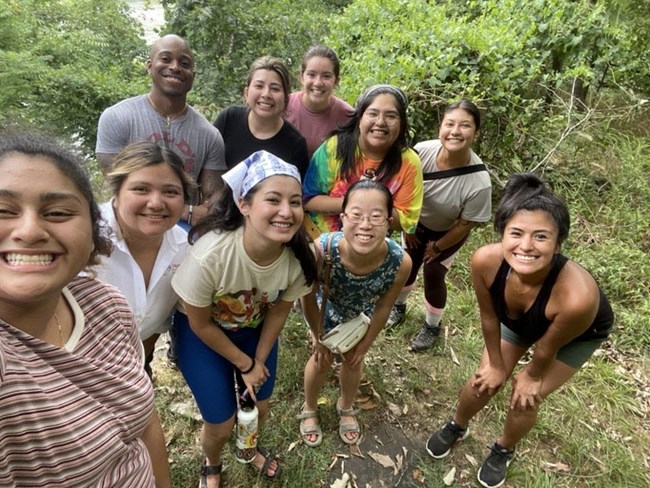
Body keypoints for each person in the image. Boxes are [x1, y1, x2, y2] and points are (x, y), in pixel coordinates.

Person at [0, 133, 171, 487]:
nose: (29, 231)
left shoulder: (103, 302)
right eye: (3, 211)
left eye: (58, 212)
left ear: (93, 229)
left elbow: (144, 420)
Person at [425, 173, 614, 488]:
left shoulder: (577, 297)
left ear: (558, 243)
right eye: (516, 233)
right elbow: (489, 318)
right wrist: (497, 365)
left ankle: (504, 448)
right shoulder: (485, 261)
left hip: (574, 334)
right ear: (502, 234)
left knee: (526, 397)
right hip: (517, 320)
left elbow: (546, 348)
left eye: (541, 236)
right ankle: (457, 424)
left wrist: (532, 377)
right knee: (482, 381)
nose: (526, 246)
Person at [171, 151, 317, 488]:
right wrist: (244, 364)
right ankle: (212, 462)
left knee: (259, 410)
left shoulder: (297, 259)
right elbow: (200, 323)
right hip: (202, 336)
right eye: (273, 200)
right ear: (244, 204)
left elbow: (279, 309)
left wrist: (259, 360)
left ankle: (248, 449)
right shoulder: (211, 255)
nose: (286, 211)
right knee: (220, 423)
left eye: (295, 202)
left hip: (253, 330)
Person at [298, 180, 412, 447]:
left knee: (353, 360)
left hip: (362, 315)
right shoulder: (322, 249)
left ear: (388, 221)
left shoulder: (400, 262)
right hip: (326, 309)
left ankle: (346, 405)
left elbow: (385, 305)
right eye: (356, 215)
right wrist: (317, 335)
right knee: (320, 360)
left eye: (375, 217)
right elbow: (307, 295)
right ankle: (310, 407)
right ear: (343, 217)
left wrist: (366, 342)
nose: (365, 225)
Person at [387, 100, 492, 351]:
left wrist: (438, 247)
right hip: (415, 223)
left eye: (465, 126)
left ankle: (432, 325)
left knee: (434, 273)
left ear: (475, 133)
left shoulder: (479, 181)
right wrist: (408, 228)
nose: (455, 131)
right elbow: (401, 189)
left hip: (448, 231)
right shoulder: (421, 152)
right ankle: (398, 307)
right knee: (406, 265)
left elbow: (465, 224)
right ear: (440, 128)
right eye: (450, 124)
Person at [96, 33, 226, 227]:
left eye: (184, 63)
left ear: (193, 75)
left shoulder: (209, 134)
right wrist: (182, 209)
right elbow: (117, 185)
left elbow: (213, 200)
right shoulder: (117, 117)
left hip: (183, 232)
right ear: (150, 66)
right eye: (165, 59)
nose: (175, 67)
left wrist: (185, 213)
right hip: (127, 224)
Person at [94, 141, 195, 376]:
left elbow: (155, 323)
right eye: (141, 189)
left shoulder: (185, 249)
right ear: (116, 192)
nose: (156, 203)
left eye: (171, 192)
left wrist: (140, 368)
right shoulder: (84, 239)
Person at [303, 84, 423, 236]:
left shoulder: (409, 162)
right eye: (372, 114)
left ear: (402, 123)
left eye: (391, 116)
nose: (380, 122)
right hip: (321, 241)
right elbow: (308, 200)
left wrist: (364, 206)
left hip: (369, 248)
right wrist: (358, 204)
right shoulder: (335, 148)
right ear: (360, 118)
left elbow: (406, 220)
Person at [214, 56, 309, 177]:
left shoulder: (295, 143)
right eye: (259, 86)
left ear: (286, 98)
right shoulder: (229, 119)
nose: (266, 94)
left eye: (275, 88)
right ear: (246, 93)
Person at [285, 45, 354, 158]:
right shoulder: (284, 107)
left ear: (336, 81)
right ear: (302, 77)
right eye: (311, 75)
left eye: (326, 76)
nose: (318, 83)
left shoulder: (348, 117)